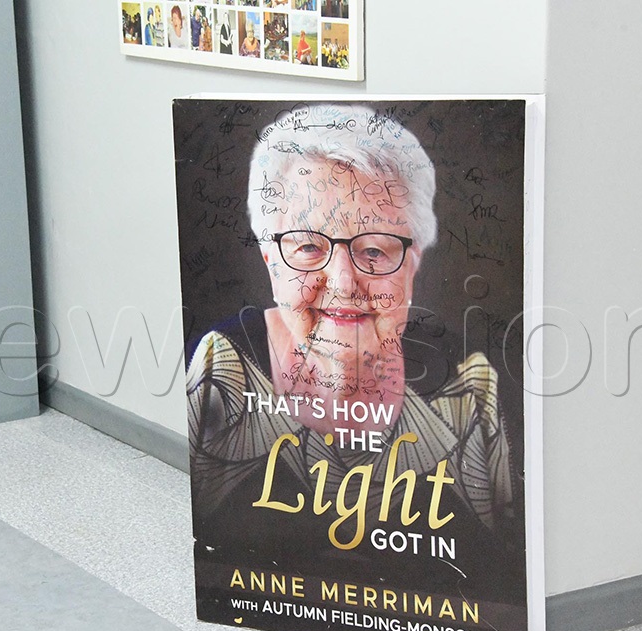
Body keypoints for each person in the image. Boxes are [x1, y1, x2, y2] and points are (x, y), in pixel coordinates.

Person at [186, 104, 517, 573]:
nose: (342, 282)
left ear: (414, 261)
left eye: (376, 250)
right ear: (269, 260)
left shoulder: (468, 387)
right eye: (307, 246)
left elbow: (502, 560)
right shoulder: (222, 368)